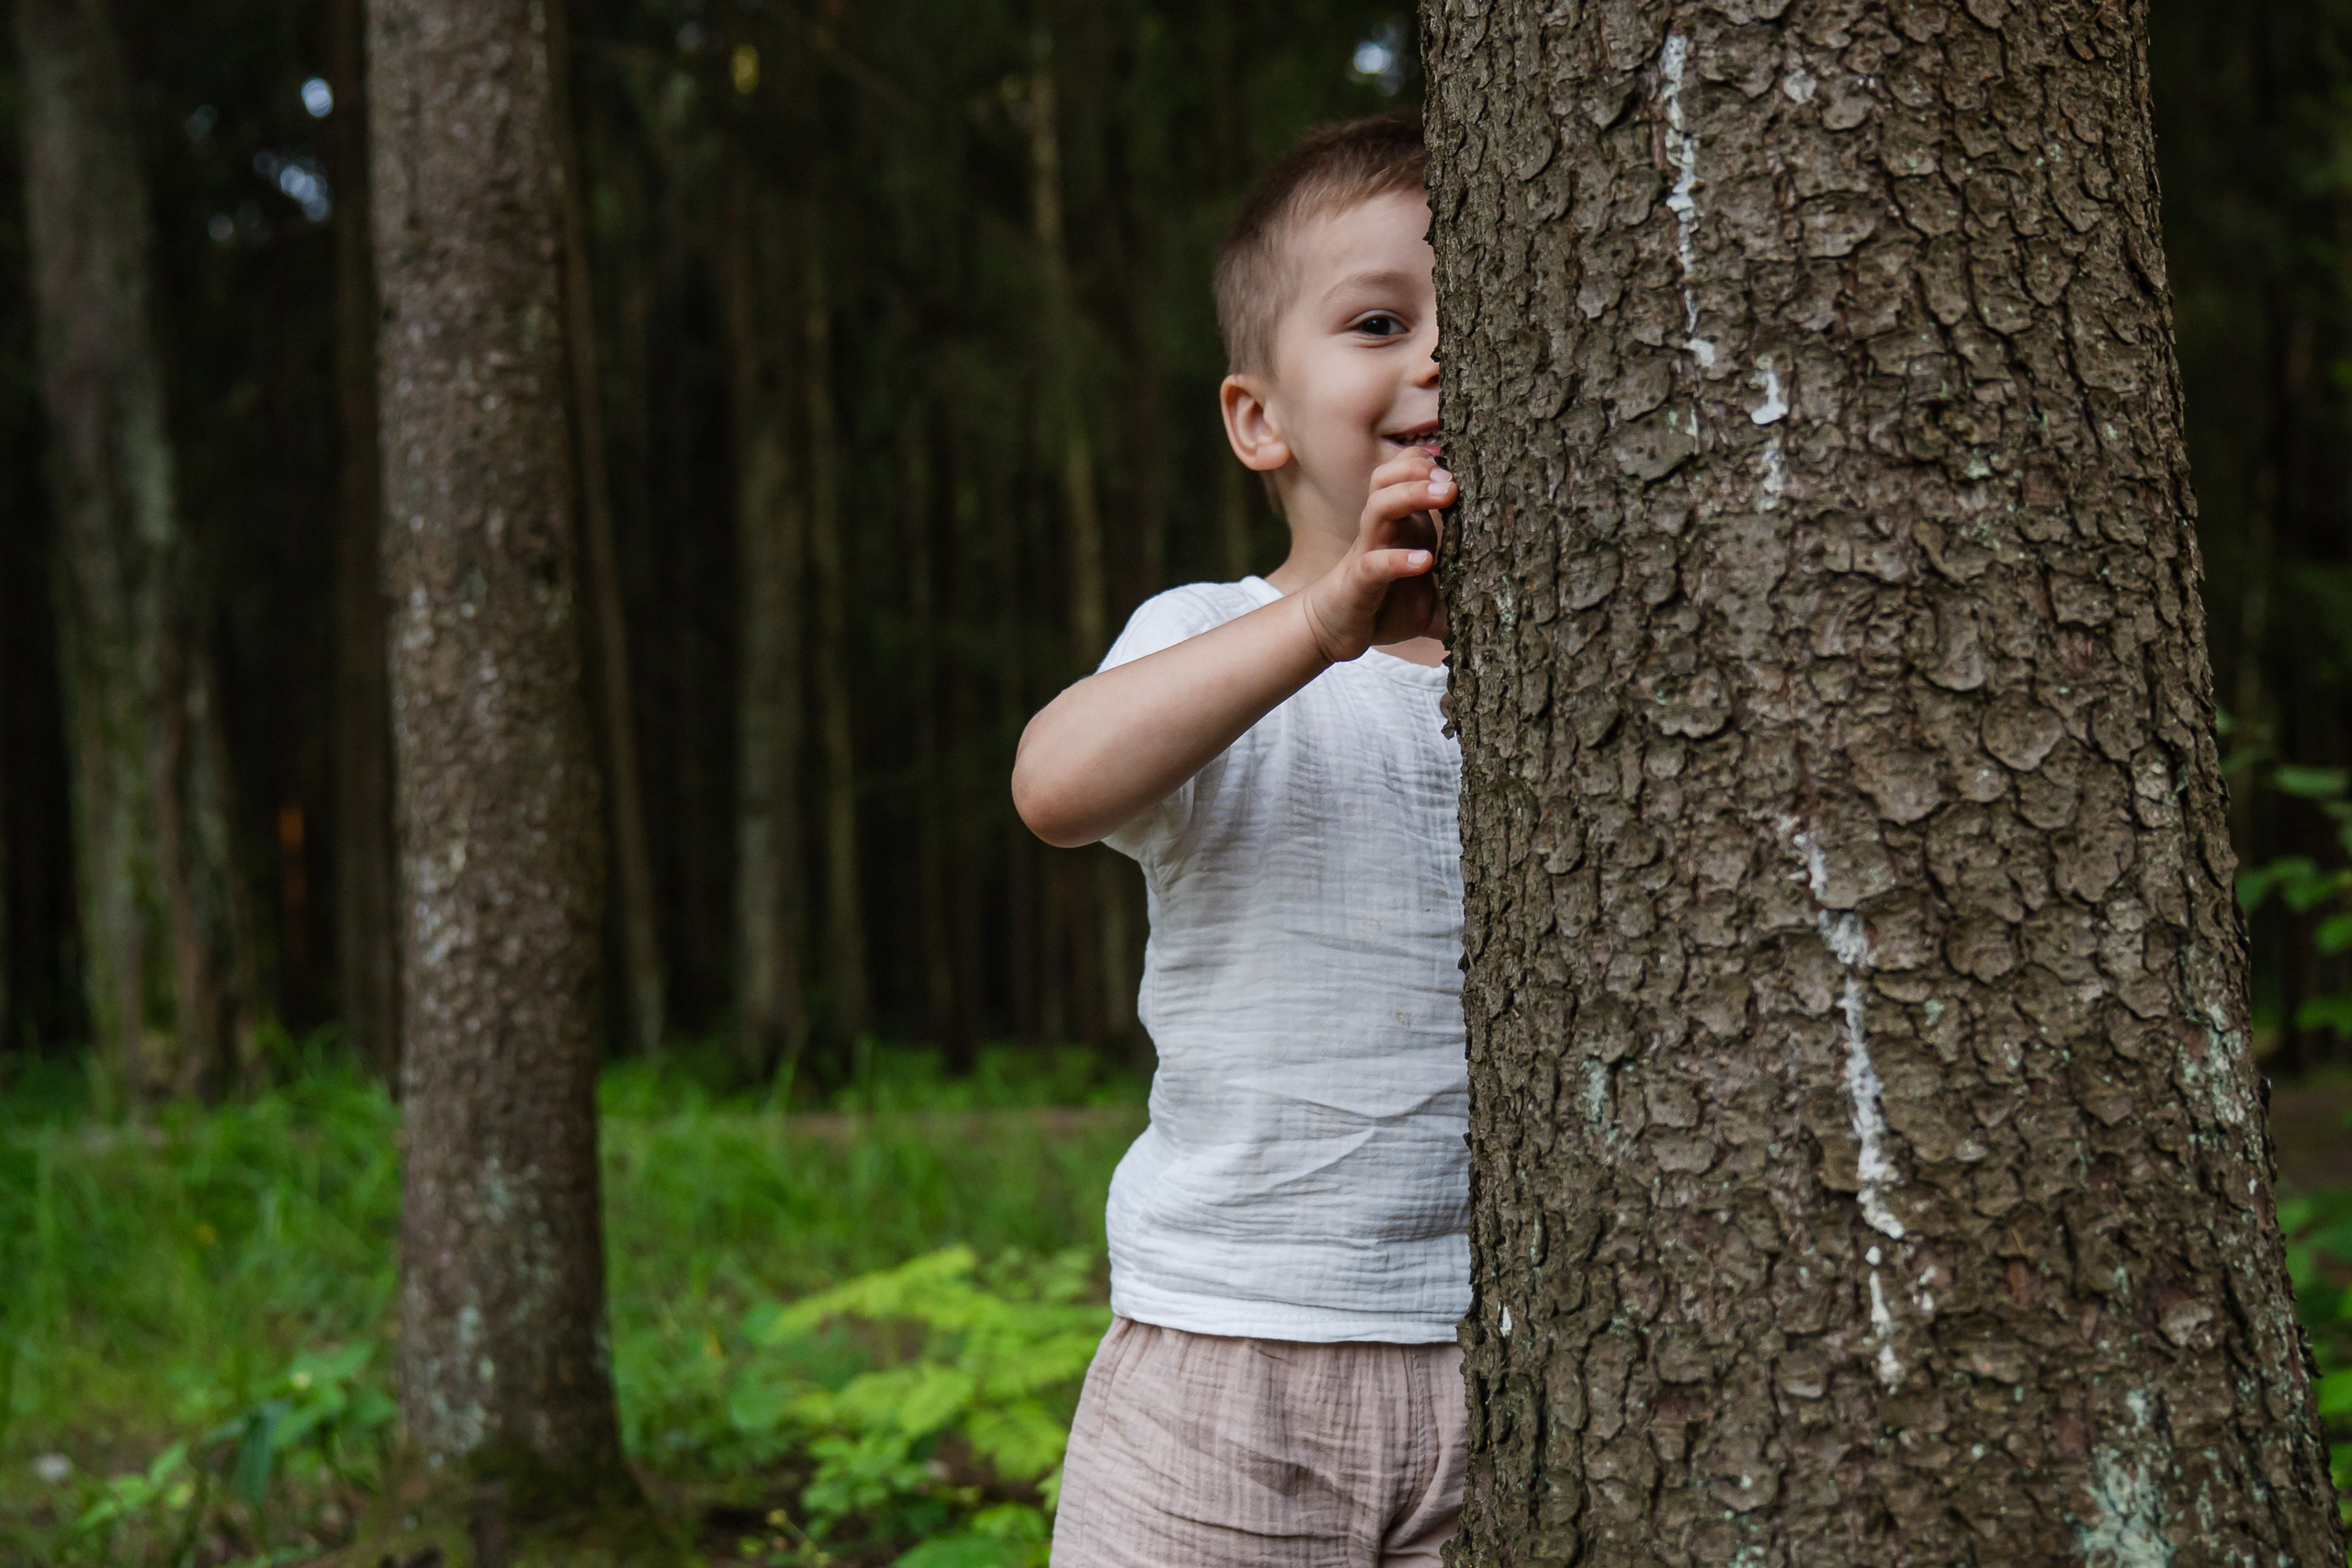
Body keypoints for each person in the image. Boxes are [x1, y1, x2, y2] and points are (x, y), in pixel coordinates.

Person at [1012, 111, 1466, 1568]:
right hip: (1227, 1351)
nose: (1439, 359)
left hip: (1499, 1358)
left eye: (1479, 310)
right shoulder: (1214, 639)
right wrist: (1321, 626)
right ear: (1259, 418)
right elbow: (1056, 780)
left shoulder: (1558, 691)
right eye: (1381, 321)